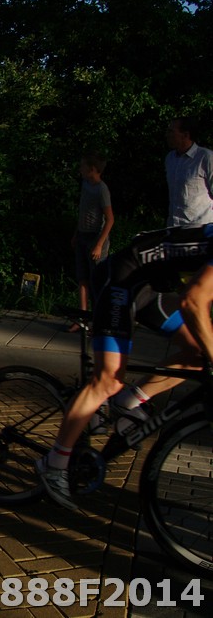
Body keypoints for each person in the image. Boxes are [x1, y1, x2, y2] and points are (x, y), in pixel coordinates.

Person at [36, 224, 213, 510]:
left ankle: (128, 403)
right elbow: (194, 300)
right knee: (108, 381)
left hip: (151, 286)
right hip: (122, 278)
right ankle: (54, 464)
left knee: (199, 354)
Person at [69, 152, 113, 332]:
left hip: (96, 238)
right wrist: (76, 234)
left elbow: (110, 219)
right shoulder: (85, 185)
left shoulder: (102, 189)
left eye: (83, 166)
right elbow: (82, 212)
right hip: (82, 235)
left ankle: (99, 320)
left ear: (92, 169)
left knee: (97, 281)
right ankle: (82, 318)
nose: (80, 169)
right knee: (82, 278)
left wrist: (99, 244)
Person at [165, 116, 213, 227]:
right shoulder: (170, 158)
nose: (167, 135)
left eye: (171, 131)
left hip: (200, 229)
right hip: (175, 227)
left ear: (185, 135)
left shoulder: (206, 157)